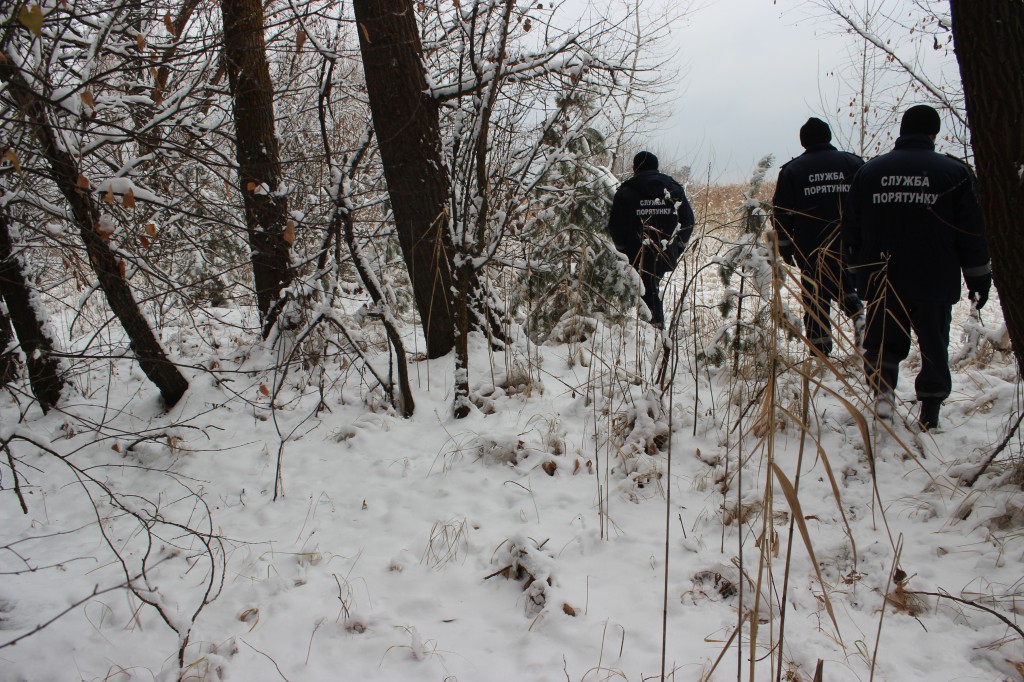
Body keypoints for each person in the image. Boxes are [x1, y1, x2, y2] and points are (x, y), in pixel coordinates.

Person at [841, 104, 991, 431]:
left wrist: (855, 271)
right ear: (932, 133)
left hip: (883, 277)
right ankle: (931, 410)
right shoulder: (954, 173)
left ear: (902, 131)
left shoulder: (870, 172)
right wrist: (979, 276)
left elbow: (851, 227)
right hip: (935, 277)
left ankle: (882, 399)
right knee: (934, 344)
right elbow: (972, 232)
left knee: (882, 342)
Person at [772, 117, 865, 357]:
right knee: (845, 281)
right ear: (828, 136)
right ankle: (856, 311)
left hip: (810, 247)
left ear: (803, 141)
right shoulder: (854, 164)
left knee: (815, 295)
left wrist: (785, 247)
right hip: (850, 244)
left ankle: (819, 348)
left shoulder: (793, 170)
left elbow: (781, 212)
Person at [606, 151, 695, 328]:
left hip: (636, 252)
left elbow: (616, 226)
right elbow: (688, 221)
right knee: (651, 288)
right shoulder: (673, 188)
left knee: (648, 290)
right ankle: (653, 329)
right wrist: (677, 246)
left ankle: (653, 328)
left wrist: (623, 249)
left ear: (635, 168)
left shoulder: (626, 191)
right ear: (656, 166)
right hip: (665, 251)